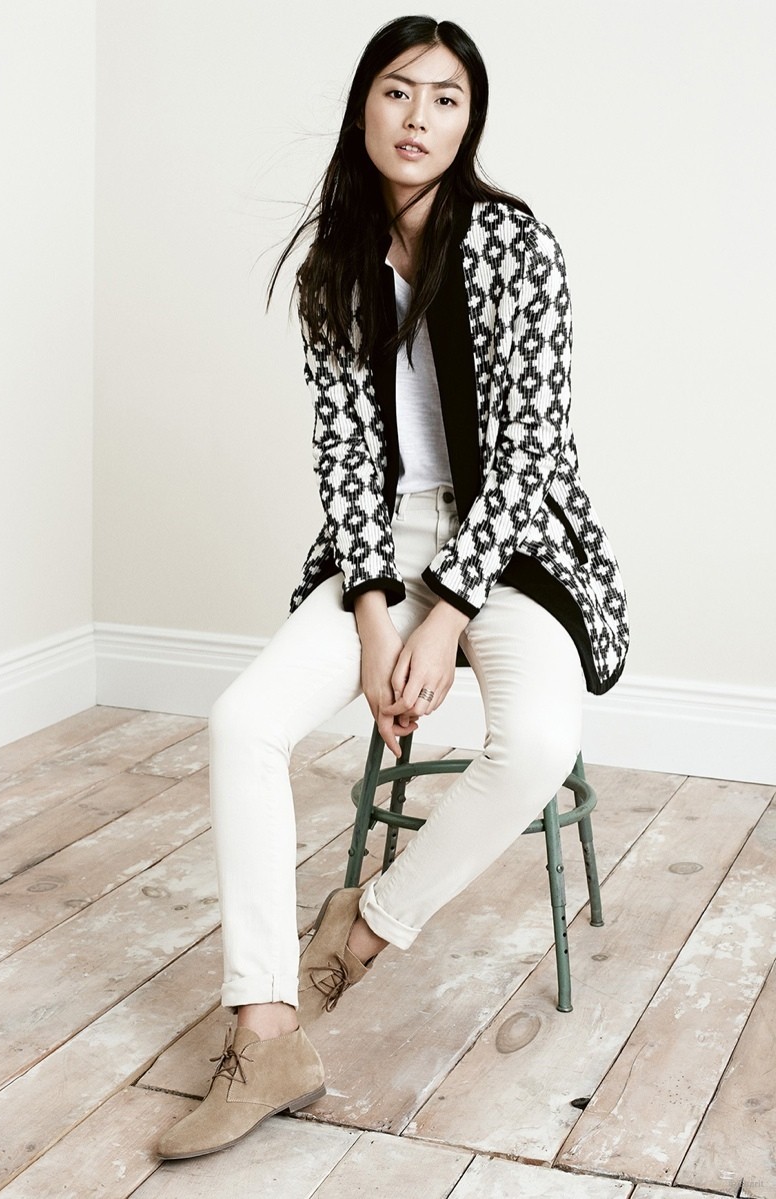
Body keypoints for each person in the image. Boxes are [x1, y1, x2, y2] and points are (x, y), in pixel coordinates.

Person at [156, 14, 629, 1160]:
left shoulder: (513, 244)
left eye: (445, 98)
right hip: (381, 546)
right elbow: (342, 464)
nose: (418, 117)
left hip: (512, 548)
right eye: (397, 91)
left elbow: (531, 452)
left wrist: (449, 609)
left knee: (535, 740)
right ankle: (264, 1028)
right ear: (362, 105)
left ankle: (362, 932)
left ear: (468, 123)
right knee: (241, 721)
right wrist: (375, 621)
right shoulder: (332, 265)